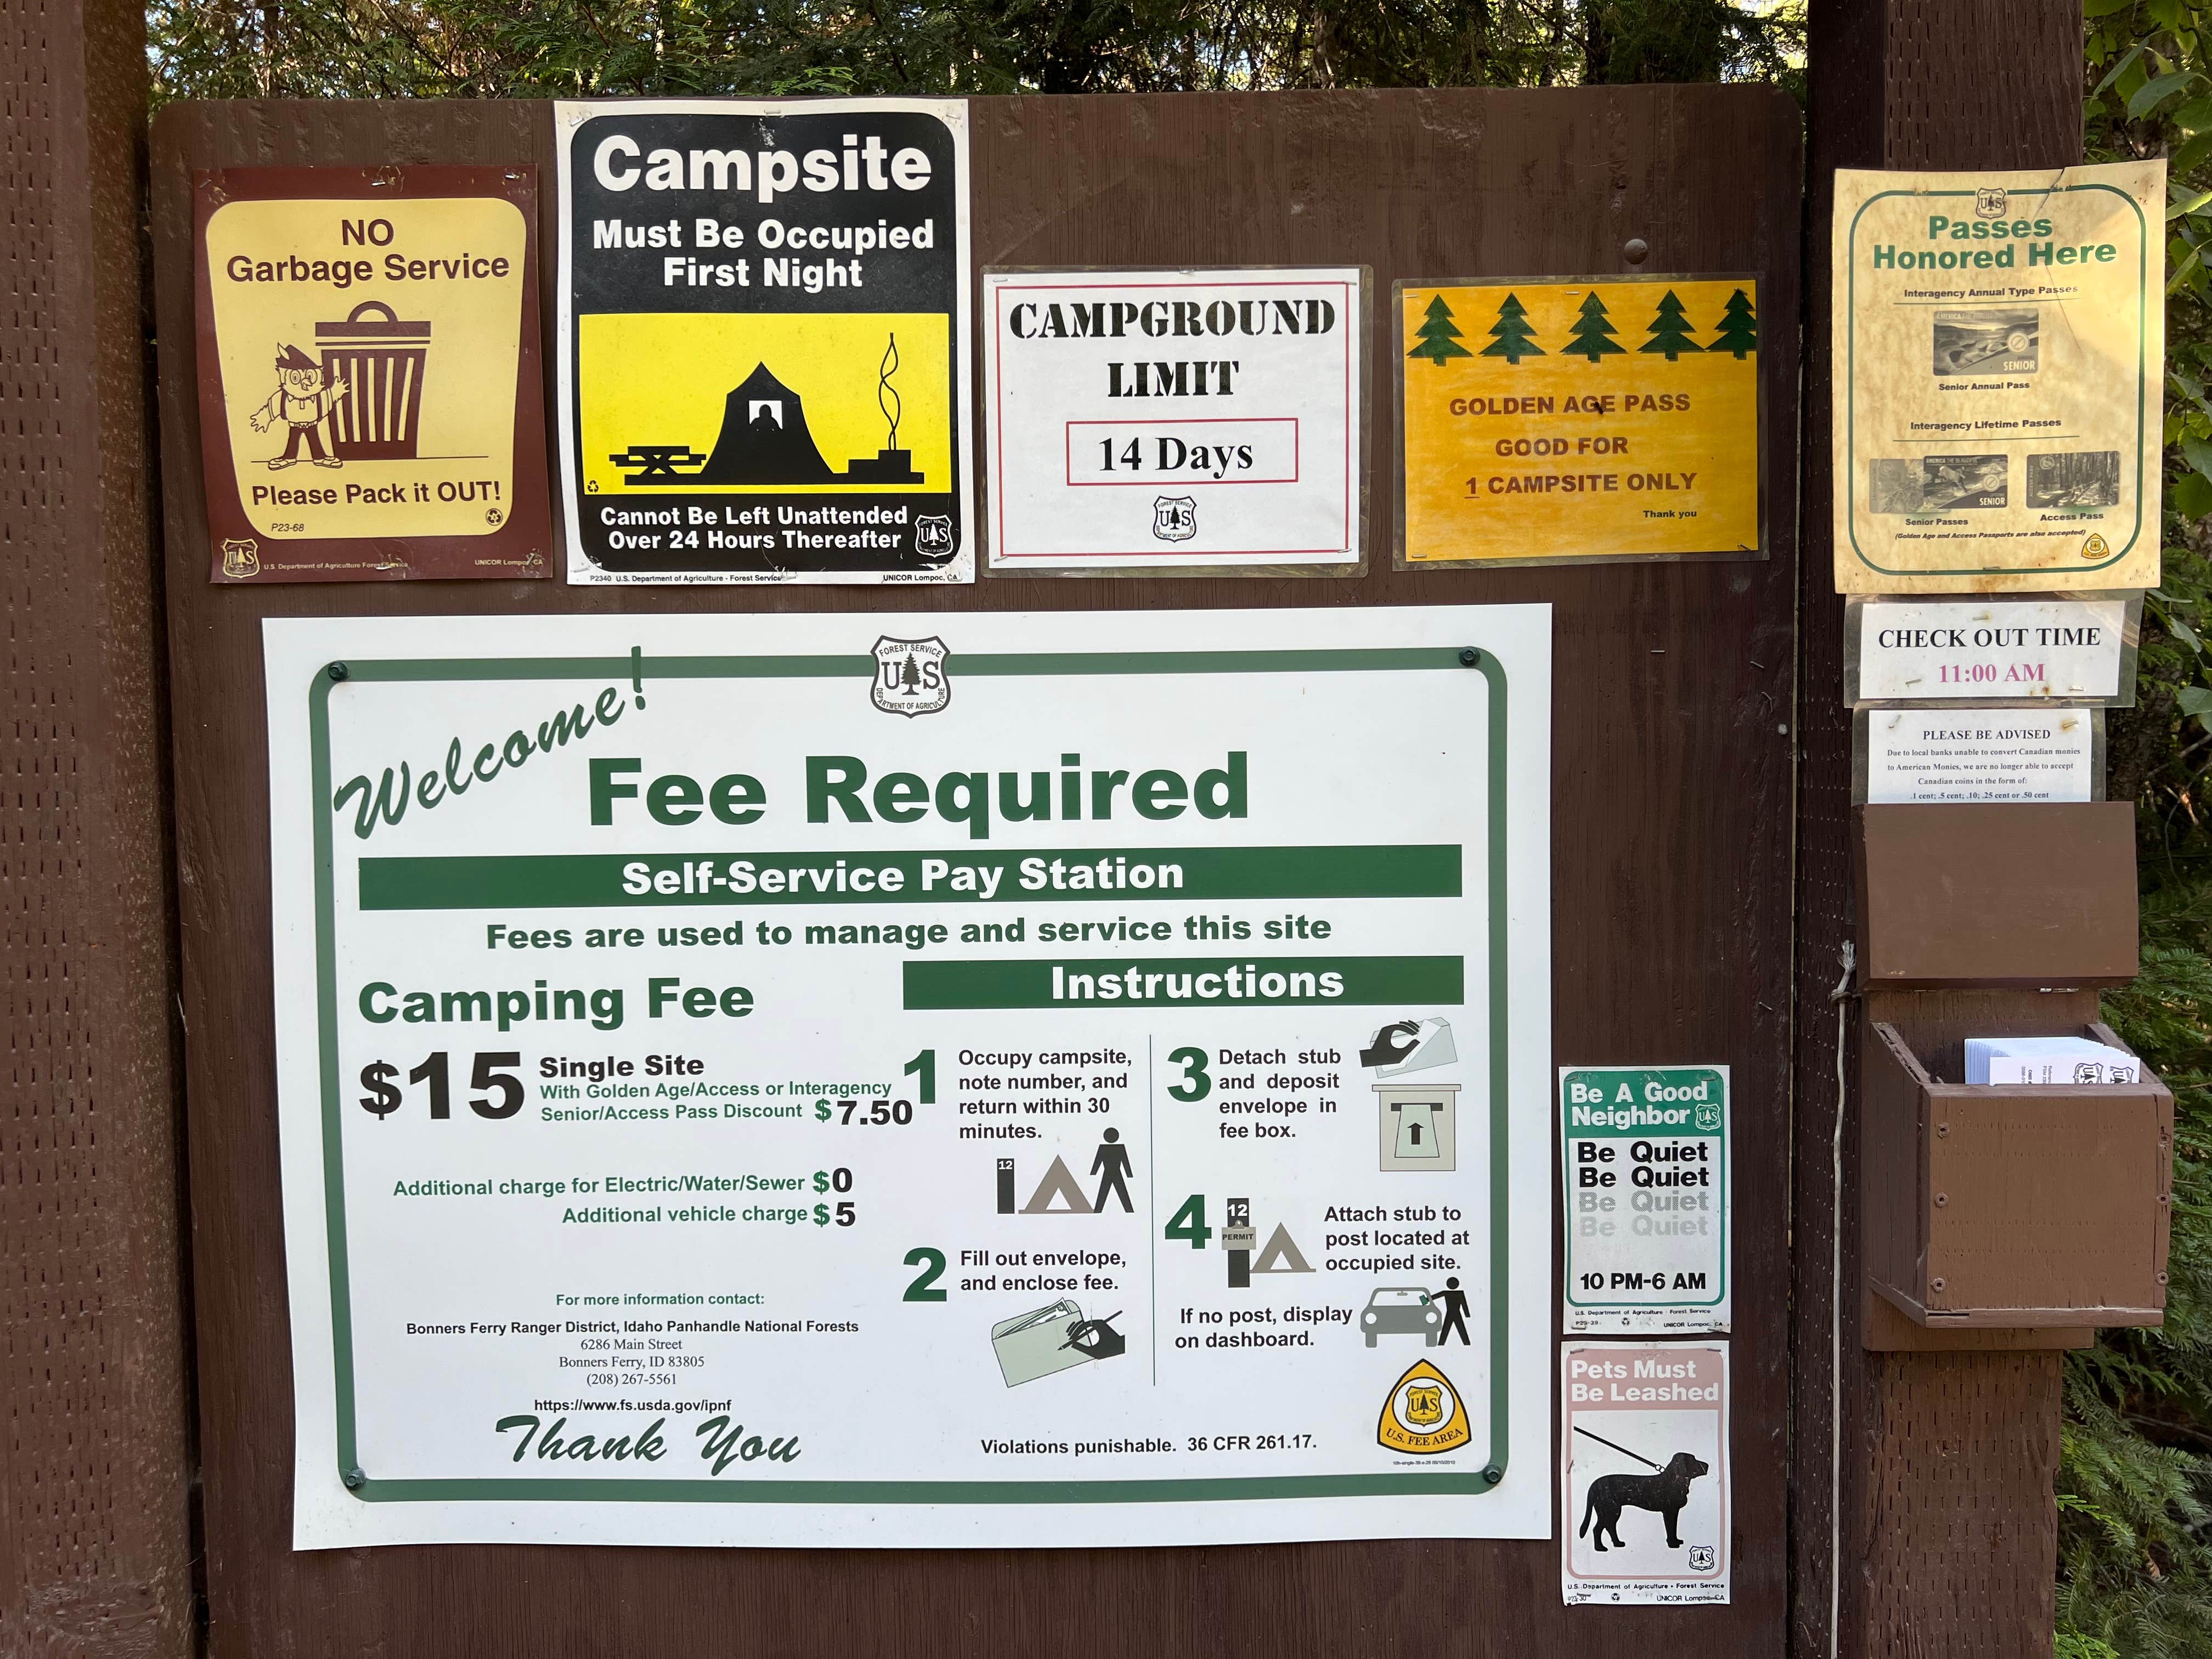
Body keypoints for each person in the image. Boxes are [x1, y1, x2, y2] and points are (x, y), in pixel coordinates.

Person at [250, 344, 349, 469]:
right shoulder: (282, 397)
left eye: (310, 376)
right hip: (294, 425)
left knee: (315, 441)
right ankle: (289, 458)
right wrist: (264, 418)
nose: (305, 383)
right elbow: (271, 408)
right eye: (296, 378)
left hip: (312, 424)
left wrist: (337, 390)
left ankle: (320, 458)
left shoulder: (318, 397)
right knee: (293, 442)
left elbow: (329, 397)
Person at [1091, 1126, 1133, 1213]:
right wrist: (1129, 1174)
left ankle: (1098, 1211)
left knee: (1115, 1193)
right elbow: (1125, 1161)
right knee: (1105, 1193)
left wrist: (1094, 1173)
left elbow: (1125, 1161)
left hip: (1111, 1173)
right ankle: (1098, 1211)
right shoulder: (1117, 1148)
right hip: (1114, 1173)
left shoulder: (1106, 1148)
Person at [1436, 1276, 1471, 1345]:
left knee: (1446, 1330)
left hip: (1450, 1314)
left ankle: (1441, 1344)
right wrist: (1467, 1315)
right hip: (1456, 1314)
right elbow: (1464, 1304)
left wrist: (1423, 1300)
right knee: (1461, 1330)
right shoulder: (1460, 1293)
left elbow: (1433, 1297)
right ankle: (1466, 1343)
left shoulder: (1447, 1293)